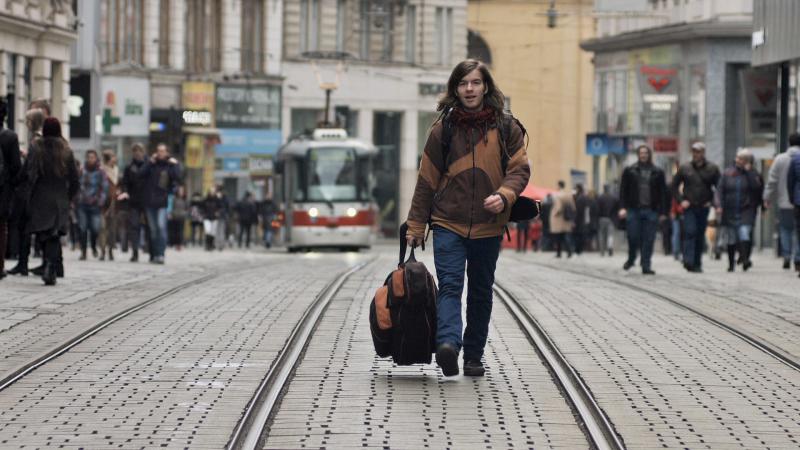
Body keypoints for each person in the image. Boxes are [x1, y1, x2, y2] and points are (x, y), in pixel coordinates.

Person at [406, 59, 530, 377]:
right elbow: (427, 180)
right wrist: (417, 223)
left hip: (490, 225)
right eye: (463, 84)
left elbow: (519, 170)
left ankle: (473, 355)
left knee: (480, 290)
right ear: (455, 89)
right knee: (449, 285)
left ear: (485, 86)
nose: (469, 89)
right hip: (449, 221)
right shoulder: (443, 130)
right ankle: (448, 345)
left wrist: (504, 195)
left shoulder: (506, 127)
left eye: (475, 82)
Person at [24, 118, 79, 285]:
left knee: (45, 233)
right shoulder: (66, 150)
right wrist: (69, 196)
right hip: (60, 197)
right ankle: (50, 266)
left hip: (41, 196)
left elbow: (29, 172)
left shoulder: (36, 148)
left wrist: (28, 194)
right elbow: (74, 179)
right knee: (54, 233)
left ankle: (48, 265)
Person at [619, 145, 669, 275]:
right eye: (641, 153)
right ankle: (631, 258)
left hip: (651, 210)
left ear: (649, 155)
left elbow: (664, 193)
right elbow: (623, 191)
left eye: (645, 153)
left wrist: (663, 212)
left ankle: (646, 265)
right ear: (638, 155)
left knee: (649, 239)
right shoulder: (629, 171)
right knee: (633, 237)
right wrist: (622, 208)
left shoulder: (658, 172)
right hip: (633, 210)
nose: (643, 155)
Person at [7, 107, 45, 275]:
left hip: (28, 191)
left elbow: (31, 168)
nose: (26, 123)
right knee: (25, 227)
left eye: (28, 120)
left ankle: (23, 263)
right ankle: (24, 262)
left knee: (24, 226)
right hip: (31, 190)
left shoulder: (36, 141)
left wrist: (17, 180)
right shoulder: (37, 140)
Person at [671, 142, 721, 273]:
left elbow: (719, 188)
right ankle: (688, 260)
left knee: (699, 234)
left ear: (703, 153)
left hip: (703, 206)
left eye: (698, 152)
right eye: (694, 151)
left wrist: (712, 202)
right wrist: (681, 200)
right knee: (690, 231)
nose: (696, 154)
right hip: (689, 206)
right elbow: (674, 187)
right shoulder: (685, 168)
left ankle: (697, 263)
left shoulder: (712, 168)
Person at [716, 149, 763, 272]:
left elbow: (757, 188)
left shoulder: (752, 174)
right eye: (738, 158)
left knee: (744, 233)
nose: (739, 161)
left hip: (746, 209)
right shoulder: (727, 173)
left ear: (747, 161)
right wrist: (718, 205)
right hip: (729, 209)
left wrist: (749, 173)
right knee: (731, 237)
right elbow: (720, 190)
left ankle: (745, 258)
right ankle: (731, 264)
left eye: (742, 159)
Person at [764, 133, 800, 271]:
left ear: (789, 143)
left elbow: (772, 180)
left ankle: (786, 255)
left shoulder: (780, 159)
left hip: (784, 201)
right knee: (798, 231)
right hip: (797, 201)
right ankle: (797, 257)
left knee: (785, 229)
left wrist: (767, 197)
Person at [140, 143, 180, 264]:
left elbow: (177, 177)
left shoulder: (170, 166)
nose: (160, 153)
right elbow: (140, 174)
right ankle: (154, 254)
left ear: (167, 153)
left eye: (163, 151)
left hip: (162, 202)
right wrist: (149, 162)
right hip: (149, 201)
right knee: (153, 230)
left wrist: (175, 165)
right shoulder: (151, 164)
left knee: (161, 227)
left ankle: (161, 254)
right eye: (158, 151)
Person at [0, 98, 22, 280]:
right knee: (1, 228)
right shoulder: (9, 137)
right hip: (3, 190)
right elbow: (16, 167)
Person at [76, 150, 108, 260]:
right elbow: (77, 184)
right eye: (89, 157)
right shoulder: (81, 170)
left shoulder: (100, 172)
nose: (90, 159)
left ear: (96, 158)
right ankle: (83, 252)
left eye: (93, 157)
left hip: (95, 204)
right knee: (82, 228)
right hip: (82, 204)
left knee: (95, 229)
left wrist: (100, 201)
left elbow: (104, 187)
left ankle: (94, 246)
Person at [119, 143, 149, 262]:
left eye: (139, 150)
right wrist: (125, 192)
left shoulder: (149, 165)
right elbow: (125, 183)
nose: (137, 153)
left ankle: (150, 249)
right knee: (134, 226)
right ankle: (135, 251)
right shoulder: (129, 167)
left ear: (143, 152)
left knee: (149, 227)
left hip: (147, 201)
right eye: (135, 151)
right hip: (134, 201)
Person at [98, 150, 119, 261]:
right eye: (112, 157)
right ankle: (102, 251)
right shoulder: (101, 170)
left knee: (112, 228)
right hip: (103, 202)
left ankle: (110, 250)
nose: (114, 159)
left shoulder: (116, 170)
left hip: (114, 202)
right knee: (102, 227)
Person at [784, 143, 800, 278]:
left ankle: (798, 260)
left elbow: (790, 181)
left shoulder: (796, 159)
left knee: (798, 231)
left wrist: (792, 198)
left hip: (798, 201)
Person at [550, 180, 575, 258]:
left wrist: (554, 214)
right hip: (566, 219)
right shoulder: (568, 195)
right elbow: (573, 207)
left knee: (558, 238)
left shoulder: (557, 195)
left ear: (559, 186)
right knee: (566, 236)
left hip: (558, 220)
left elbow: (559, 207)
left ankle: (559, 253)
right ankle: (569, 251)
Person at [596, 184, 618, 256]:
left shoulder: (600, 198)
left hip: (601, 218)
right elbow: (616, 208)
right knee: (610, 235)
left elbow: (597, 209)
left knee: (601, 235)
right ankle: (610, 247)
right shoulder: (613, 198)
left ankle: (602, 251)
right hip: (611, 219)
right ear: (609, 189)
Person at [167, 185, 187, 250]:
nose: (181, 192)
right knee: (174, 231)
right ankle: (173, 243)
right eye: (180, 191)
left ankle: (179, 244)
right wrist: (171, 214)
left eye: (182, 191)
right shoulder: (174, 198)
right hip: (175, 216)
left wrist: (185, 213)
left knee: (180, 231)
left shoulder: (184, 199)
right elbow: (171, 207)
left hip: (182, 217)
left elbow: (187, 208)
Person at [573, 184, 590, 255]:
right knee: (582, 235)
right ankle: (580, 249)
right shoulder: (585, 197)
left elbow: (578, 211)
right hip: (584, 219)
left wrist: (574, 221)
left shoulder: (579, 198)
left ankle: (578, 250)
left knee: (578, 235)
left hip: (579, 220)